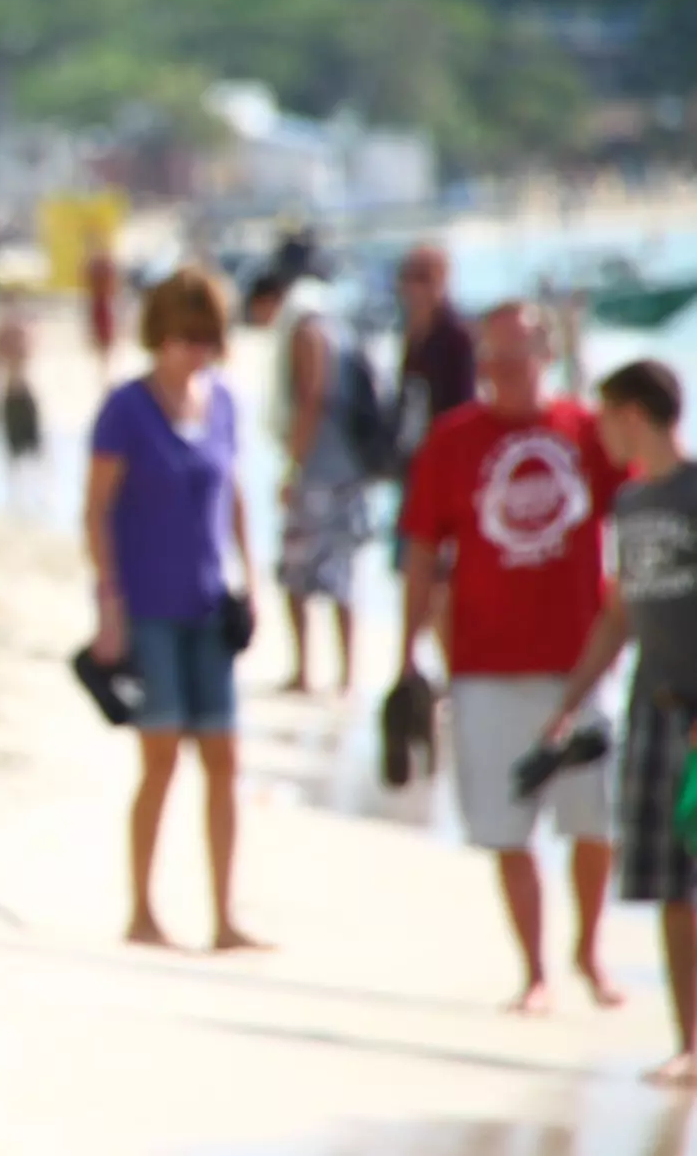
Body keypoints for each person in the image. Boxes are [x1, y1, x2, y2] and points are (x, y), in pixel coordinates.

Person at [398, 301, 627, 1015]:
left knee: (596, 820)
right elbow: (422, 552)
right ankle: (534, 969)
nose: (500, 373)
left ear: (545, 357)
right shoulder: (451, 440)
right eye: (489, 360)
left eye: (515, 358)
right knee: (505, 824)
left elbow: (651, 498)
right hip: (484, 664)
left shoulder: (585, 432)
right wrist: (406, 650)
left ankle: (588, 948)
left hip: (579, 663)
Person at [85, 266, 265, 952]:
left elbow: (235, 493)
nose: (198, 351)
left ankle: (223, 916)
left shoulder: (224, 403)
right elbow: (96, 510)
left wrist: (252, 579)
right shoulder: (125, 408)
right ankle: (143, 911)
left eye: (208, 339)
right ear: (160, 333)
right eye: (186, 337)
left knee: (224, 755)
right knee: (160, 757)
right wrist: (108, 604)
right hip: (147, 608)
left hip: (210, 605)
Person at [552, 360, 695, 1079]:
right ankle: (690, 1043)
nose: (597, 431)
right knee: (673, 884)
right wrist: (572, 697)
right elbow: (620, 614)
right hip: (652, 707)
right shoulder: (632, 505)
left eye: (604, 416)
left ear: (632, 413)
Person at [247, 268, 370, 697]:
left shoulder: (305, 328)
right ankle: (345, 675)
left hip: (320, 471)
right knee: (340, 575)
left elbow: (313, 396)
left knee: (298, 574)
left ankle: (307, 671)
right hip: (349, 470)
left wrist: (292, 469)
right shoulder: (333, 319)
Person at [392, 244, 477, 666]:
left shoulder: (455, 337)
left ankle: (451, 667)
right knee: (416, 572)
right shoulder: (414, 334)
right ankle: (421, 662)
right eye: (410, 277)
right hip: (414, 469)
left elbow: (464, 409)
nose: (414, 288)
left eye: (424, 278)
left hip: (447, 472)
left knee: (440, 580)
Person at [0, 279, 42, 503]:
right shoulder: (2, 333)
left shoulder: (20, 331)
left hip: (23, 391)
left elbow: (29, 353)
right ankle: (16, 494)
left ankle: (35, 493)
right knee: (13, 448)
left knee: (33, 446)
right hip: (10, 393)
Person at [85, 237, 120, 382]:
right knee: (102, 340)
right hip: (99, 302)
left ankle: (107, 370)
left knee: (107, 339)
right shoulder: (97, 265)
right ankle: (105, 370)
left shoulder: (103, 265)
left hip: (105, 302)